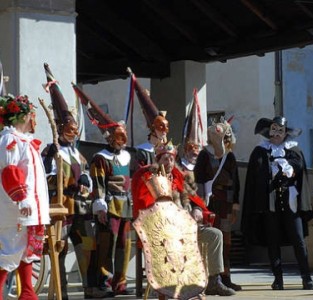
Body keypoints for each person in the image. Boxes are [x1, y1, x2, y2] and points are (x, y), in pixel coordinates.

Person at [132, 140, 235, 298]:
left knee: (215, 235)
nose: (169, 162)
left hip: (187, 227)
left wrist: (198, 210)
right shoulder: (148, 177)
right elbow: (146, 207)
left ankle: (214, 281)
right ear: (157, 160)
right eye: (165, 159)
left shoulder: (178, 177)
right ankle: (164, 285)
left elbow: (195, 200)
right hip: (161, 231)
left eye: (172, 159)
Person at [41, 64, 101, 299]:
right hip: (62, 207)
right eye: (69, 129)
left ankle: (89, 288)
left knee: (87, 248)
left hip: (81, 209)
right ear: (59, 127)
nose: (73, 133)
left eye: (75, 130)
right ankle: (61, 292)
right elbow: (46, 178)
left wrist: (85, 179)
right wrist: (66, 180)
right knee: (61, 249)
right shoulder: (50, 151)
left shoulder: (78, 153)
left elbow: (85, 172)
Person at [73, 83, 133, 296]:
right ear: (110, 137)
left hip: (125, 204)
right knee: (107, 244)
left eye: (123, 136)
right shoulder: (100, 158)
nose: (122, 140)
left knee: (124, 246)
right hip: (110, 206)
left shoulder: (126, 156)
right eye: (118, 136)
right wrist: (100, 207)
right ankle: (104, 281)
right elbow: (98, 184)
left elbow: (129, 181)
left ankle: (121, 282)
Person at [242, 116, 313, 290]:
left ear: (285, 132)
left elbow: (299, 166)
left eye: (280, 131)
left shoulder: (293, 149)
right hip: (270, 202)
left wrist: (288, 167)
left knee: (298, 239)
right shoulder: (260, 151)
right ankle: (278, 279)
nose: (276, 135)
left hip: (291, 201)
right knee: (272, 240)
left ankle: (306, 277)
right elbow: (255, 175)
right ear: (268, 132)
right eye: (273, 130)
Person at [0, 94, 50, 299]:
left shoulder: (24, 141)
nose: (34, 119)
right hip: (16, 212)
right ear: (25, 116)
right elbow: (10, 172)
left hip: (29, 212)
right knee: (9, 254)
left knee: (27, 253)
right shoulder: (10, 140)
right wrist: (22, 198)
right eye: (32, 114)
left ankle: (28, 293)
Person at [194, 117, 242, 291]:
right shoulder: (204, 155)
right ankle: (210, 278)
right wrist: (200, 202)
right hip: (210, 202)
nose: (226, 141)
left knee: (227, 241)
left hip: (227, 203)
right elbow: (198, 179)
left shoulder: (230, 157)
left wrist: (235, 204)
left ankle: (225, 276)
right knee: (212, 240)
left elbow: (235, 181)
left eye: (228, 138)